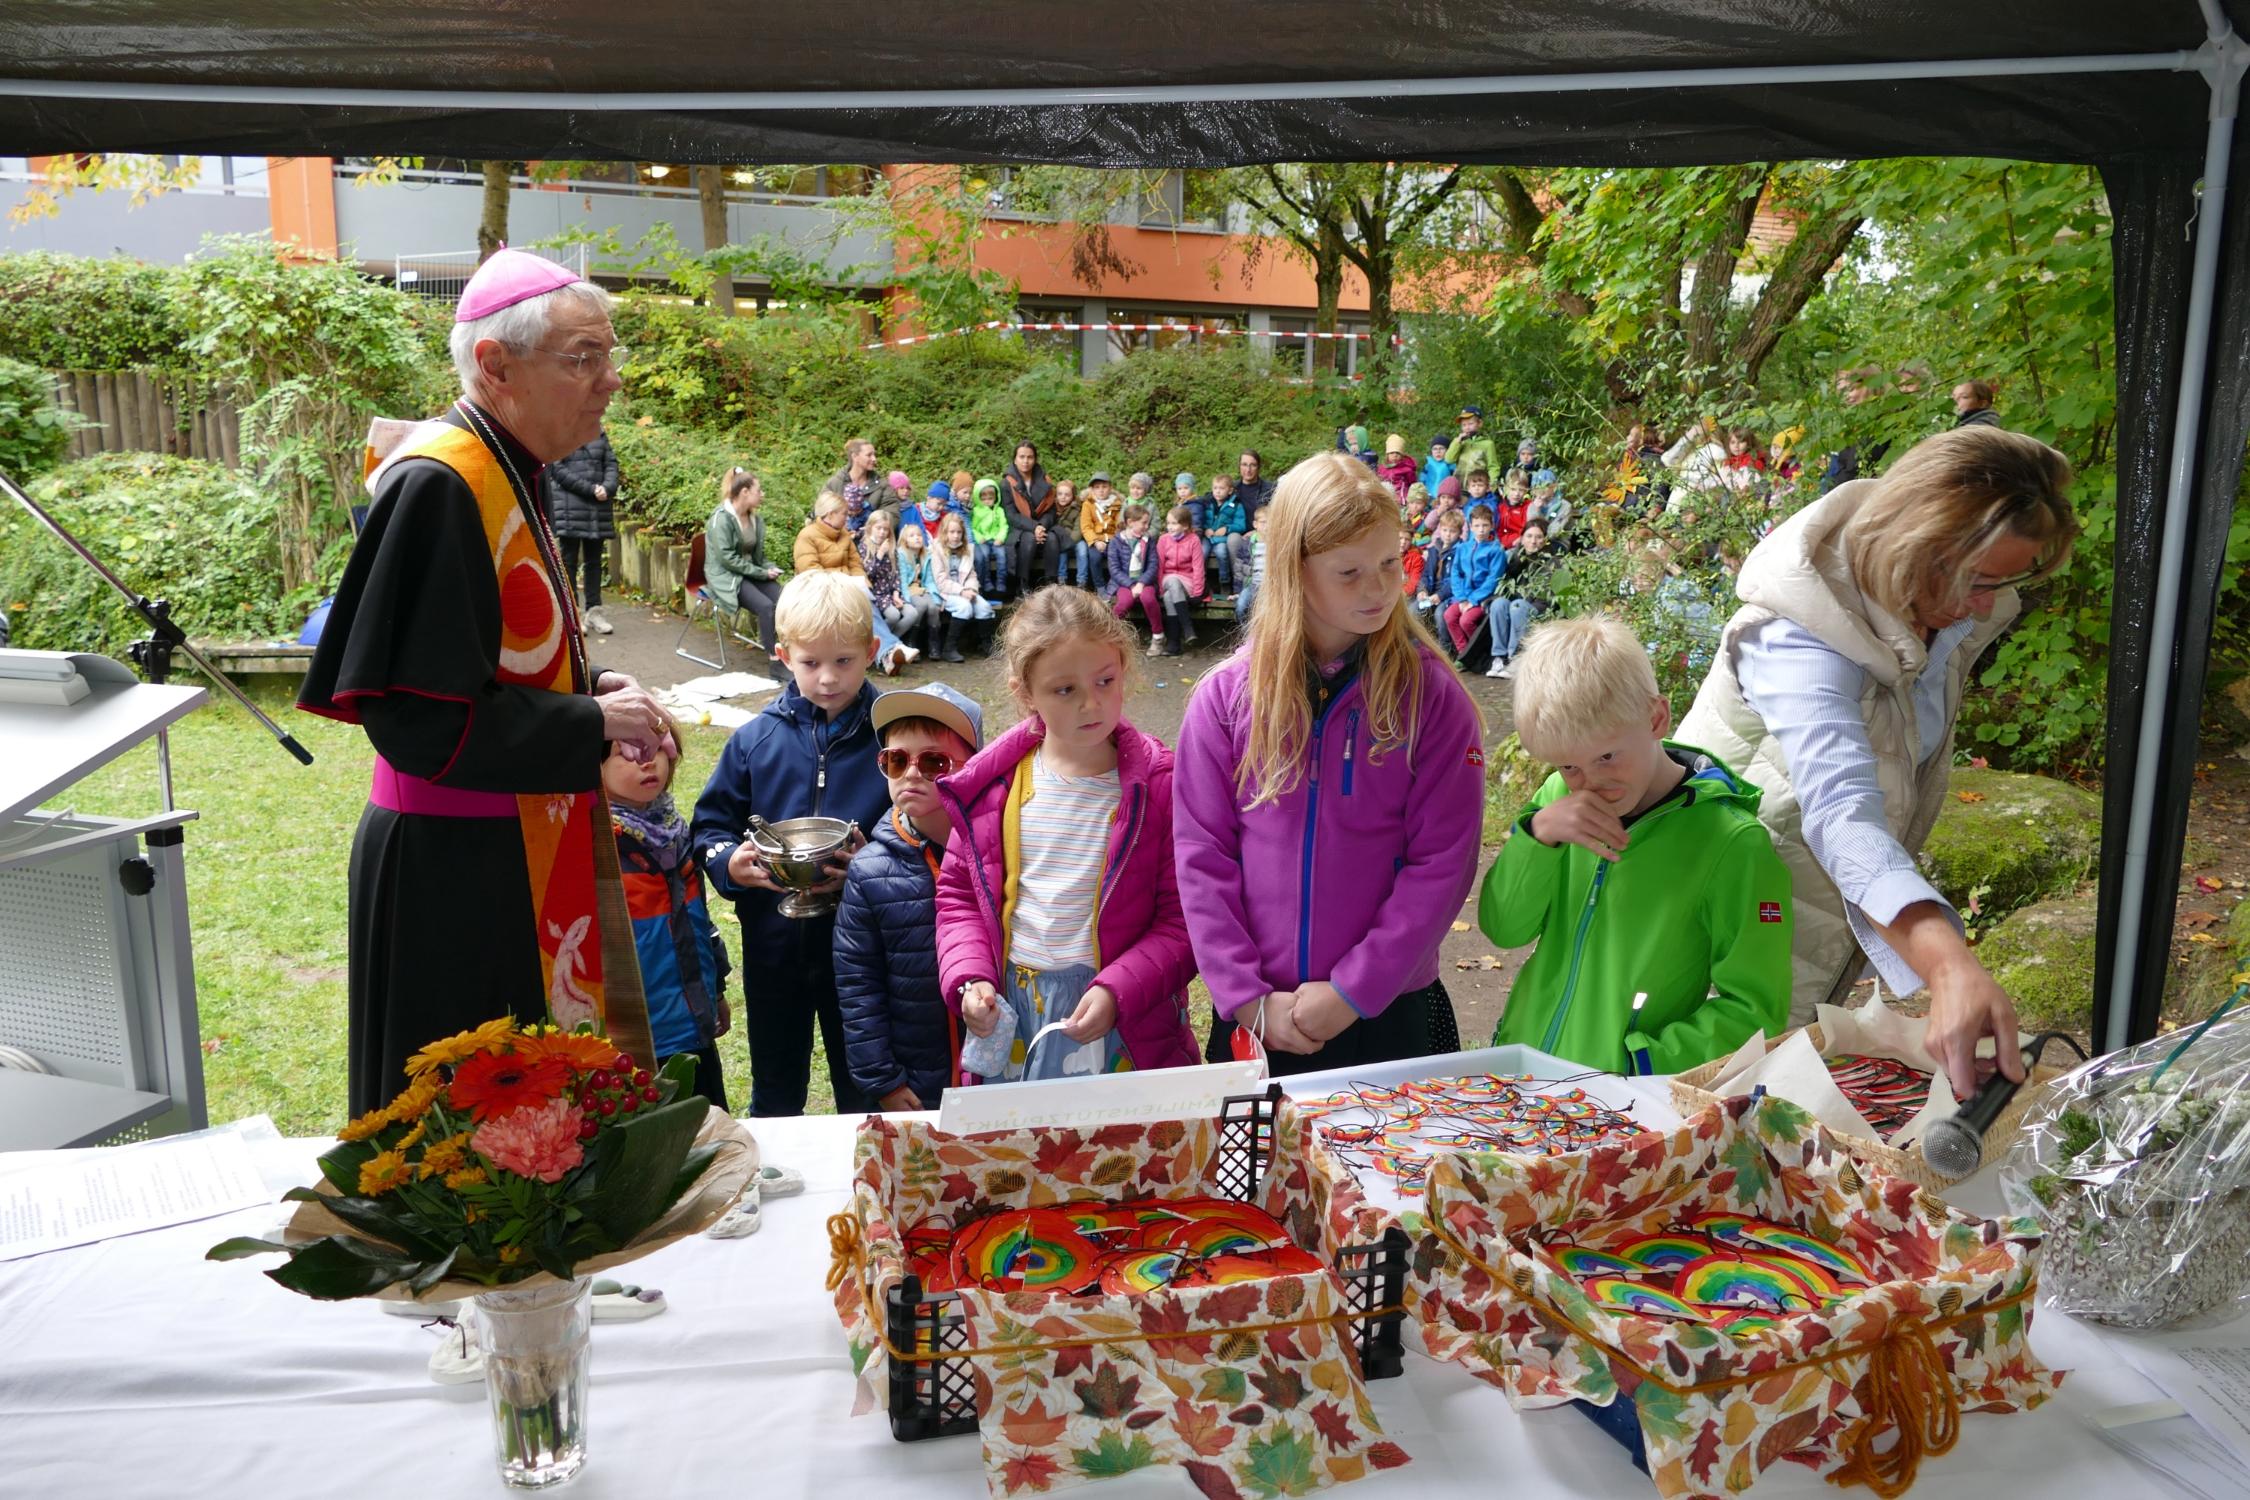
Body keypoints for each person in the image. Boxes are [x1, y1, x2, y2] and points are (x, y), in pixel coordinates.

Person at [300, 249, 667, 1114]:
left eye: (609, 355)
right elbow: (423, 722)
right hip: (454, 876)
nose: (609, 380)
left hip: (502, 852)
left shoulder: (506, 467)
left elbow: (495, 654)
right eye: (584, 357)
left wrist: (596, 687)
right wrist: (591, 727)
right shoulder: (444, 483)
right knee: (467, 1143)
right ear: (497, 365)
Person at [1677, 426, 2079, 1098]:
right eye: (1980, 581)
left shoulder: (1935, 610)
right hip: (1709, 943)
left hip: (1798, 926)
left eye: (2009, 581)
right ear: (1918, 547)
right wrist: (1948, 965)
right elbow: (1842, 816)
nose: (1988, 606)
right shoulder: (1798, 632)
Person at [1175, 451, 1483, 1074]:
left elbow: (1443, 861)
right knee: (1257, 1175)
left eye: (1390, 564)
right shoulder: (1225, 700)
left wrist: (1352, 992)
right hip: (1257, 1019)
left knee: (1393, 1175)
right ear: (1295, 571)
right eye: (1349, 573)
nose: (1377, 589)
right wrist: (1245, 1000)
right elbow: (1201, 857)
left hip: (1392, 1012)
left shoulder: (1432, 697)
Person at [1482, 616, 1792, 1075]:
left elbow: (1756, 1009)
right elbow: (1505, 929)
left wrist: (1642, 1061)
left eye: (1606, 756)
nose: (1591, 783)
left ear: (1656, 718)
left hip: (1625, 1104)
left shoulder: (1732, 842)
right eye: (1569, 766)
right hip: (1525, 1074)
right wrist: (1536, 837)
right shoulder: (1556, 801)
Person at [938, 586, 1199, 1082]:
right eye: (1065, 690)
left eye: (1105, 680)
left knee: (1113, 1154)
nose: (1091, 704)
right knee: (1017, 1152)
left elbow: (1183, 920)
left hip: (1120, 1017)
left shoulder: (1159, 786)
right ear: (1024, 693)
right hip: (1013, 1016)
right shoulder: (995, 787)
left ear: (1124, 667)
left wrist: (1117, 990)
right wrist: (970, 978)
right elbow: (958, 898)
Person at [690, 571, 891, 1117]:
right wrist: (732, 863)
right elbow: (708, 828)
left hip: (864, 954)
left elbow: (921, 834)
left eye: (844, 661)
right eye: (810, 662)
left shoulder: (894, 739)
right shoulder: (754, 742)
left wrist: (869, 868)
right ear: (782, 654)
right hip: (774, 948)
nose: (827, 678)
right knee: (775, 1091)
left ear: (872, 651)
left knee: (866, 1089)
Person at [836, 683, 985, 1111]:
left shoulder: (998, 851)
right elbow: (857, 985)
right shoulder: (869, 872)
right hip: (918, 1079)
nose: (912, 774)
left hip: (1000, 1070)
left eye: (934, 761)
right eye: (897, 760)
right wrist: (883, 1080)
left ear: (973, 766)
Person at [605, 717, 733, 1110]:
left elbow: (699, 921)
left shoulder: (675, 833)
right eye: (623, 752)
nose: (646, 762)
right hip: (635, 1045)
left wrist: (718, 991)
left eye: (654, 747)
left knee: (713, 1140)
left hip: (694, 1027)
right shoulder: (596, 850)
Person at [794, 488, 915, 675]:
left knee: (865, 602)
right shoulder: (807, 536)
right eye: (844, 513)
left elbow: (855, 564)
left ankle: (887, 656)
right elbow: (810, 571)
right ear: (831, 514)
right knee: (862, 605)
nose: (847, 516)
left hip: (847, 587)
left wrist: (863, 583)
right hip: (820, 591)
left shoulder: (843, 535)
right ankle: (891, 650)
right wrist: (840, 582)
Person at [705, 466, 786, 683]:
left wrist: (769, 568)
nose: (762, 495)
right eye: (759, 491)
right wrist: (761, 572)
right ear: (744, 493)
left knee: (786, 600)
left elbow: (758, 557)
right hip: (727, 577)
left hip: (750, 572)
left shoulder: (755, 520)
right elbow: (727, 560)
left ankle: (790, 653)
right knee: (766, 607)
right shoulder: (721, 519)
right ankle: (775, 663)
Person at [547, 428, 618, 635]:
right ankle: (573, 613)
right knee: (569, 561)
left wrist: (608, 486)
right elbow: (557, 469)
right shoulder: (561, 431)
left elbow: (611, 463)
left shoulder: (600, 433)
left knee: (594, 562)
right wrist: (591, 489)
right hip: (570, 508)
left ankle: (594, 612)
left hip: (597, 509)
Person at [1484, 518, 1554, 679]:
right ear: (1522, 538)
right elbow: (1505, 585)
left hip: (1536, 606)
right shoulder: (1514, 556)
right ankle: (1499, 657)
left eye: (1538, 537)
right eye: (1529, 536)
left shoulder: (1550, 560)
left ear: (1544, 539)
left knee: (1517, 606)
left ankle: (1515, 658)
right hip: (1514, 602)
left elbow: (1544, 595)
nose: (1533, 541)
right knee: (1499, 604)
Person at [928, 510, 997, 661]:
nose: (955, 536)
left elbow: (971, 574)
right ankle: (949, 648)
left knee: (984, 607)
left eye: (959, 532)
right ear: (945, 532)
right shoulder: (937, 549)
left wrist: (971, 589)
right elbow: (940, 581)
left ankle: (986, 644)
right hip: (946, 593)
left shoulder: (966, 549)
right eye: (952, 532)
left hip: (965, 590)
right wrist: (961, 591)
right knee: (964, 607)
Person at [1442, 503, 1507, 661]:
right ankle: (1464, 654)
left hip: (1483, 598)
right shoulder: (1463, 548)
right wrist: (1462, 598)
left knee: (1466, 621)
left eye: (1485, 525)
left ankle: (1480, 653)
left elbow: (1493, 579)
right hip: (1464, 596)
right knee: (1449, 616)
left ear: (1492, 526)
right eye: (1477, 526)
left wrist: (1472, 600)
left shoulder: (1496, 550)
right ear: (1470, 527)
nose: (1481, 530)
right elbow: (1455, 573)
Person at [1002, 439, 1061, 592]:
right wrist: (1034, 527)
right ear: (1015, 459)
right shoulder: (1007, 483)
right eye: (1021, 457)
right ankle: (1022, 585)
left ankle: (1051, 584)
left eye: (1030, 457)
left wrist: (1041, 526)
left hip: (1042, 524)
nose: (1026, 461)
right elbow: (1011, 515)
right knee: (1029, 539)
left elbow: (1051, 510)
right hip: (1019, 527)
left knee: (1052, 538)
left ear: (1035, 459)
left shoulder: (1045, 480)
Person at [1106, 503, 1164, 652]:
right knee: (1123, 603)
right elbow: (1114, 569)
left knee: (1149, 599)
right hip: (1124, 583)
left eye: (1148, 523)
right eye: (1144, 523)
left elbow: (1153, 565)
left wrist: (1142, 583)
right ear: (1130, 522)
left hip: (1145, 582)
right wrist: (1131, 585)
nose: (1147, 526)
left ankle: (1158, 636)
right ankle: (1109, 636)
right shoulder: (1116, 542)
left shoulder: (1148, 540)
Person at [1156, 503, 1207, 656]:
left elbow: (1198, 567)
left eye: (1174, 523)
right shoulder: (1163, 540)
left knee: (1169, 596)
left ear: (1185, 526)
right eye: (1168, 523)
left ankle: (1174, 643)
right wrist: (1159, 588)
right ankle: (1187, 628)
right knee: (1171, 581)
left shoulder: (1193, 540)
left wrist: (1197, 592)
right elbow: (1159, 566)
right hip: (1167, 579)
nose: (1169, 527)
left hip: (1187, 580)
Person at [1415, 507, 1465, 640]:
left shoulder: (1461, 551)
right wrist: (1422, 590)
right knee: (1414, 610)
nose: (1448, 534)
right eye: (1445, 530)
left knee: (1440, 614)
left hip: (1450, 595)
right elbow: (1425, 574)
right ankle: (1421, 643)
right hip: (1431, 592)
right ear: (1440, 530)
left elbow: (1457, 580)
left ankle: (1446, 648)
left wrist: (1441, 595)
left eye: (1452, 531)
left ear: (1459, 533)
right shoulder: (1433, 549)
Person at [896, 521, 944, 657]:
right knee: (921, 606)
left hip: (922, 588)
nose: (917, 538)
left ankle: (934, 643)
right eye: (912, 536)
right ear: (905, 541)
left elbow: (929, 579)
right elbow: (903, 580)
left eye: (919, 535)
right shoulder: (901, 555)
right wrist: (906, 600)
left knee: (933, 607)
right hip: (908, 589)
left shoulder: (926, 555)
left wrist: (937, 597)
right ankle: (911, 642)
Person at [1201, 472, 1248, 598]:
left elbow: (1241, 524)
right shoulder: (1207, 503)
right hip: (1208, 537)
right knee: (1202, 552)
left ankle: (1224, 582)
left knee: (1222, 553)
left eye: (1221, 488)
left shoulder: (1236, 505)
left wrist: (1227, 529)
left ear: (1230, 490)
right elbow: (1202, 520)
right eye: (1215, 488)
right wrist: (1205, 529)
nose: (1218, 492)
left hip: (1222, 539)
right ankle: (1202, 583)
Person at [829, 438, 883, 535]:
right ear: (855, 456)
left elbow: (891, 513)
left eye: (874, 454)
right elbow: (821, 513)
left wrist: (872, 529)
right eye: (869, 455)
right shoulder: (835, 482)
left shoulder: (882, 485)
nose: (874, 459)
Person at [1078, 471, 1121, 592]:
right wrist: (1096, 541)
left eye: (1104, 487)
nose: (1101, 490)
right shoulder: (1088, 504)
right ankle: (1100, 586)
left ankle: (1114, 586)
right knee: (1094, 558)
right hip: (1096, 539)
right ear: (1092, 490)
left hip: (1113, 539)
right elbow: (1086, 526)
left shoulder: (1117, 504)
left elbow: (1120, 525)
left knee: (1116, 558)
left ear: (1110, 488)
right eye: (1097, 487)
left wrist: (1116, 540)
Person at [970, 477, 1011, 599]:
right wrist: (979, 537)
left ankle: (1001, 584)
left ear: (995, 497)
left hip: (996, 540)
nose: (987, 501)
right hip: (983, 540)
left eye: (990, 498)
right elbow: (973, 528)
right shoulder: (976, 511)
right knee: (985, 556)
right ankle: (987, 584)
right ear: (978, 498)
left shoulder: (999, 510)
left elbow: (1004, 526)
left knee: (1002, 556)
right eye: (984, 499)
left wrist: (1001, 538)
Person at [1445, 406, 1500, 487]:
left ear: (1480, 423)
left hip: (1477, 487)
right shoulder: (1460, 443)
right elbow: (1449, 459)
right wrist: (1457, 442)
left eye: (1470, 424)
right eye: (1464, 425)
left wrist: (1492, 485)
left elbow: (1493, 467)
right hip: (1459, 487)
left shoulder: (1487, 444)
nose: (1467, 427)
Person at [1235, 501, 1269, 624]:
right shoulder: (1247, 543)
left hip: (1270, 586)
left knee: (1266, 611)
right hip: (1251, 584)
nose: (1267, 526)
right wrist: (1237, 591)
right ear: (1255, 524)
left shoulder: (1277, 544)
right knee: (1241, 606)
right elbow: (1238, 568)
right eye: (1263, 522)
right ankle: (1245, 633)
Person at [1050, 477, 1086, 588]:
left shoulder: (1077, 508)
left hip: (1075, 539)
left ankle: (1082, 580)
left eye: (1067, 495)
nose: (1063, 497)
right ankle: (1062, 579)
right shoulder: (1052, 508)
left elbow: (1078, 529)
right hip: (1061, 539)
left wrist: (1070, 542)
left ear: (1073, 496)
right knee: (1062, 551)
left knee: (1082, 550)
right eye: (1060, 494)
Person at [1492, 467, 1534, 550]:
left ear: (1526, 491)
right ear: (1506, 488)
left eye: (1521, 490)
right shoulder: (1500, 506)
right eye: (1513, 489)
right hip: (1499, 544)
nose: (1517, 493)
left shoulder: (1528, 507)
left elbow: (1530, 529)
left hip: (1520, 545)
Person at [1376, 433, 1417, 501]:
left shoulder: (1406, 469)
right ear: (1387, 455)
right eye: (1392, 453)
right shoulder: (1382, 468)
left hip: (1401, 497)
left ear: (1402, 455)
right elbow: (1379, 480)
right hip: (1386, 495)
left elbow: (1413, 484)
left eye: (1398, 453)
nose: (1395, 455)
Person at [1233, 450, 1273, 517]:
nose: (1248, 470)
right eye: (1244, 465)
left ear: (1258, 467)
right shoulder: (1231, 489)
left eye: (1253, 465)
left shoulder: (1270, 489)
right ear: (1239, 466)